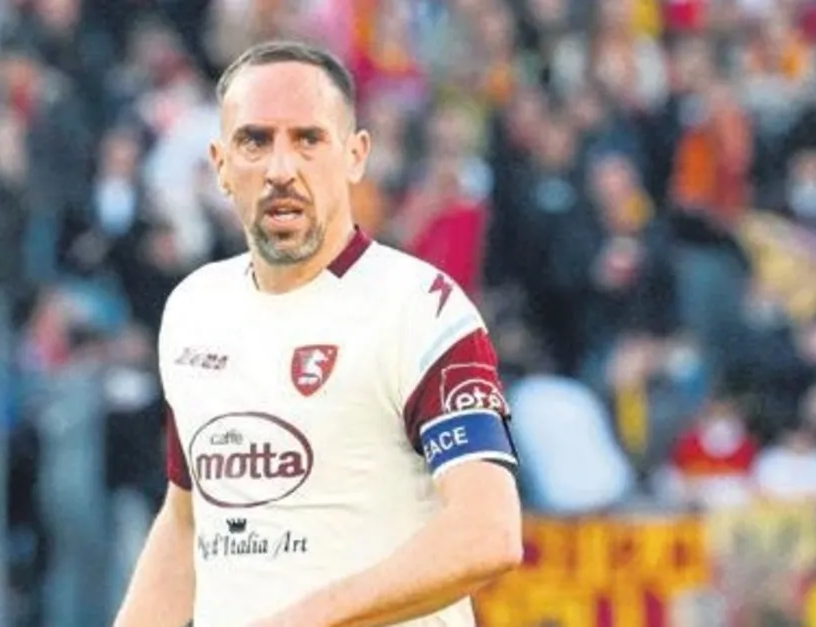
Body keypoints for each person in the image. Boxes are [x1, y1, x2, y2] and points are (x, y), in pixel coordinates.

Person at [113, 41, 523, 627]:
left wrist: (304, 619)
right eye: (255, 141)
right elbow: (185, 521)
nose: (282, 169)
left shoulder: (422, 309)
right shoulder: (193, 309)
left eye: (308, 139)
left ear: (355, 156)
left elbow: (488, 532)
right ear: (221, 164)